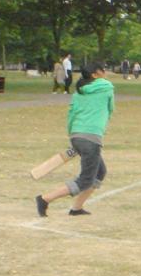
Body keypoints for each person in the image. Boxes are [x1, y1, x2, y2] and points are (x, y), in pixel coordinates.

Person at [35, 62, 114, 218]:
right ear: (94, 74)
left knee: (100, 172)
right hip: (90, 137)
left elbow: (71, 114)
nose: (105, 72)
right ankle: (45, 199)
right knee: (85, 180)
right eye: (102, 70)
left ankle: (76, 208)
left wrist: (73, 136)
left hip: (77, 134)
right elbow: (110, 109)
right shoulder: (106, 88)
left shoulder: (79, 92)